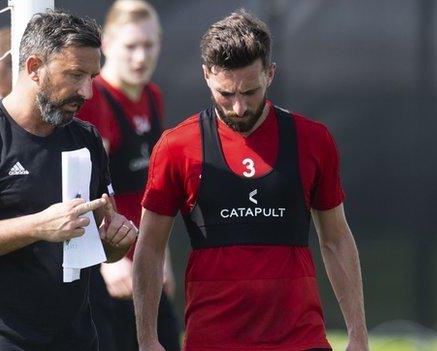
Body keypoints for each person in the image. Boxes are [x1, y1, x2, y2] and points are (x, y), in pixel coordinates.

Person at [133, 9, 368, 351]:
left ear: (270, 74)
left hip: (300, 341)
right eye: (226, 95)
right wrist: (147, 340)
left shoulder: (313, 139)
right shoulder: (176, 146)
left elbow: (336, 239)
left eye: (250, 92)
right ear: (206, 76)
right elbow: (150, 248)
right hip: (213, 341)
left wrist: (358, 335)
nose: (239, 107)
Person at [0, 10, 138, 351]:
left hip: (77, 338)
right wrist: (37, 226)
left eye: (92, 77)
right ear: (33, 68)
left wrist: (117, 241)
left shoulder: (86, 138)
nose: (87, 91)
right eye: (75, 75)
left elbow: (105, 243)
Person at [76, 1, 180, 350]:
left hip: (144, 260)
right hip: (108, 267)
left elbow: (151, 190)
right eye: (131, 46)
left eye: (148, 46)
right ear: (107, 45)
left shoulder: (152, 96)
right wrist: (104, 259)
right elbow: (84, 188)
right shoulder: (95, 99)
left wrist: (159, 253)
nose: (140, 57)